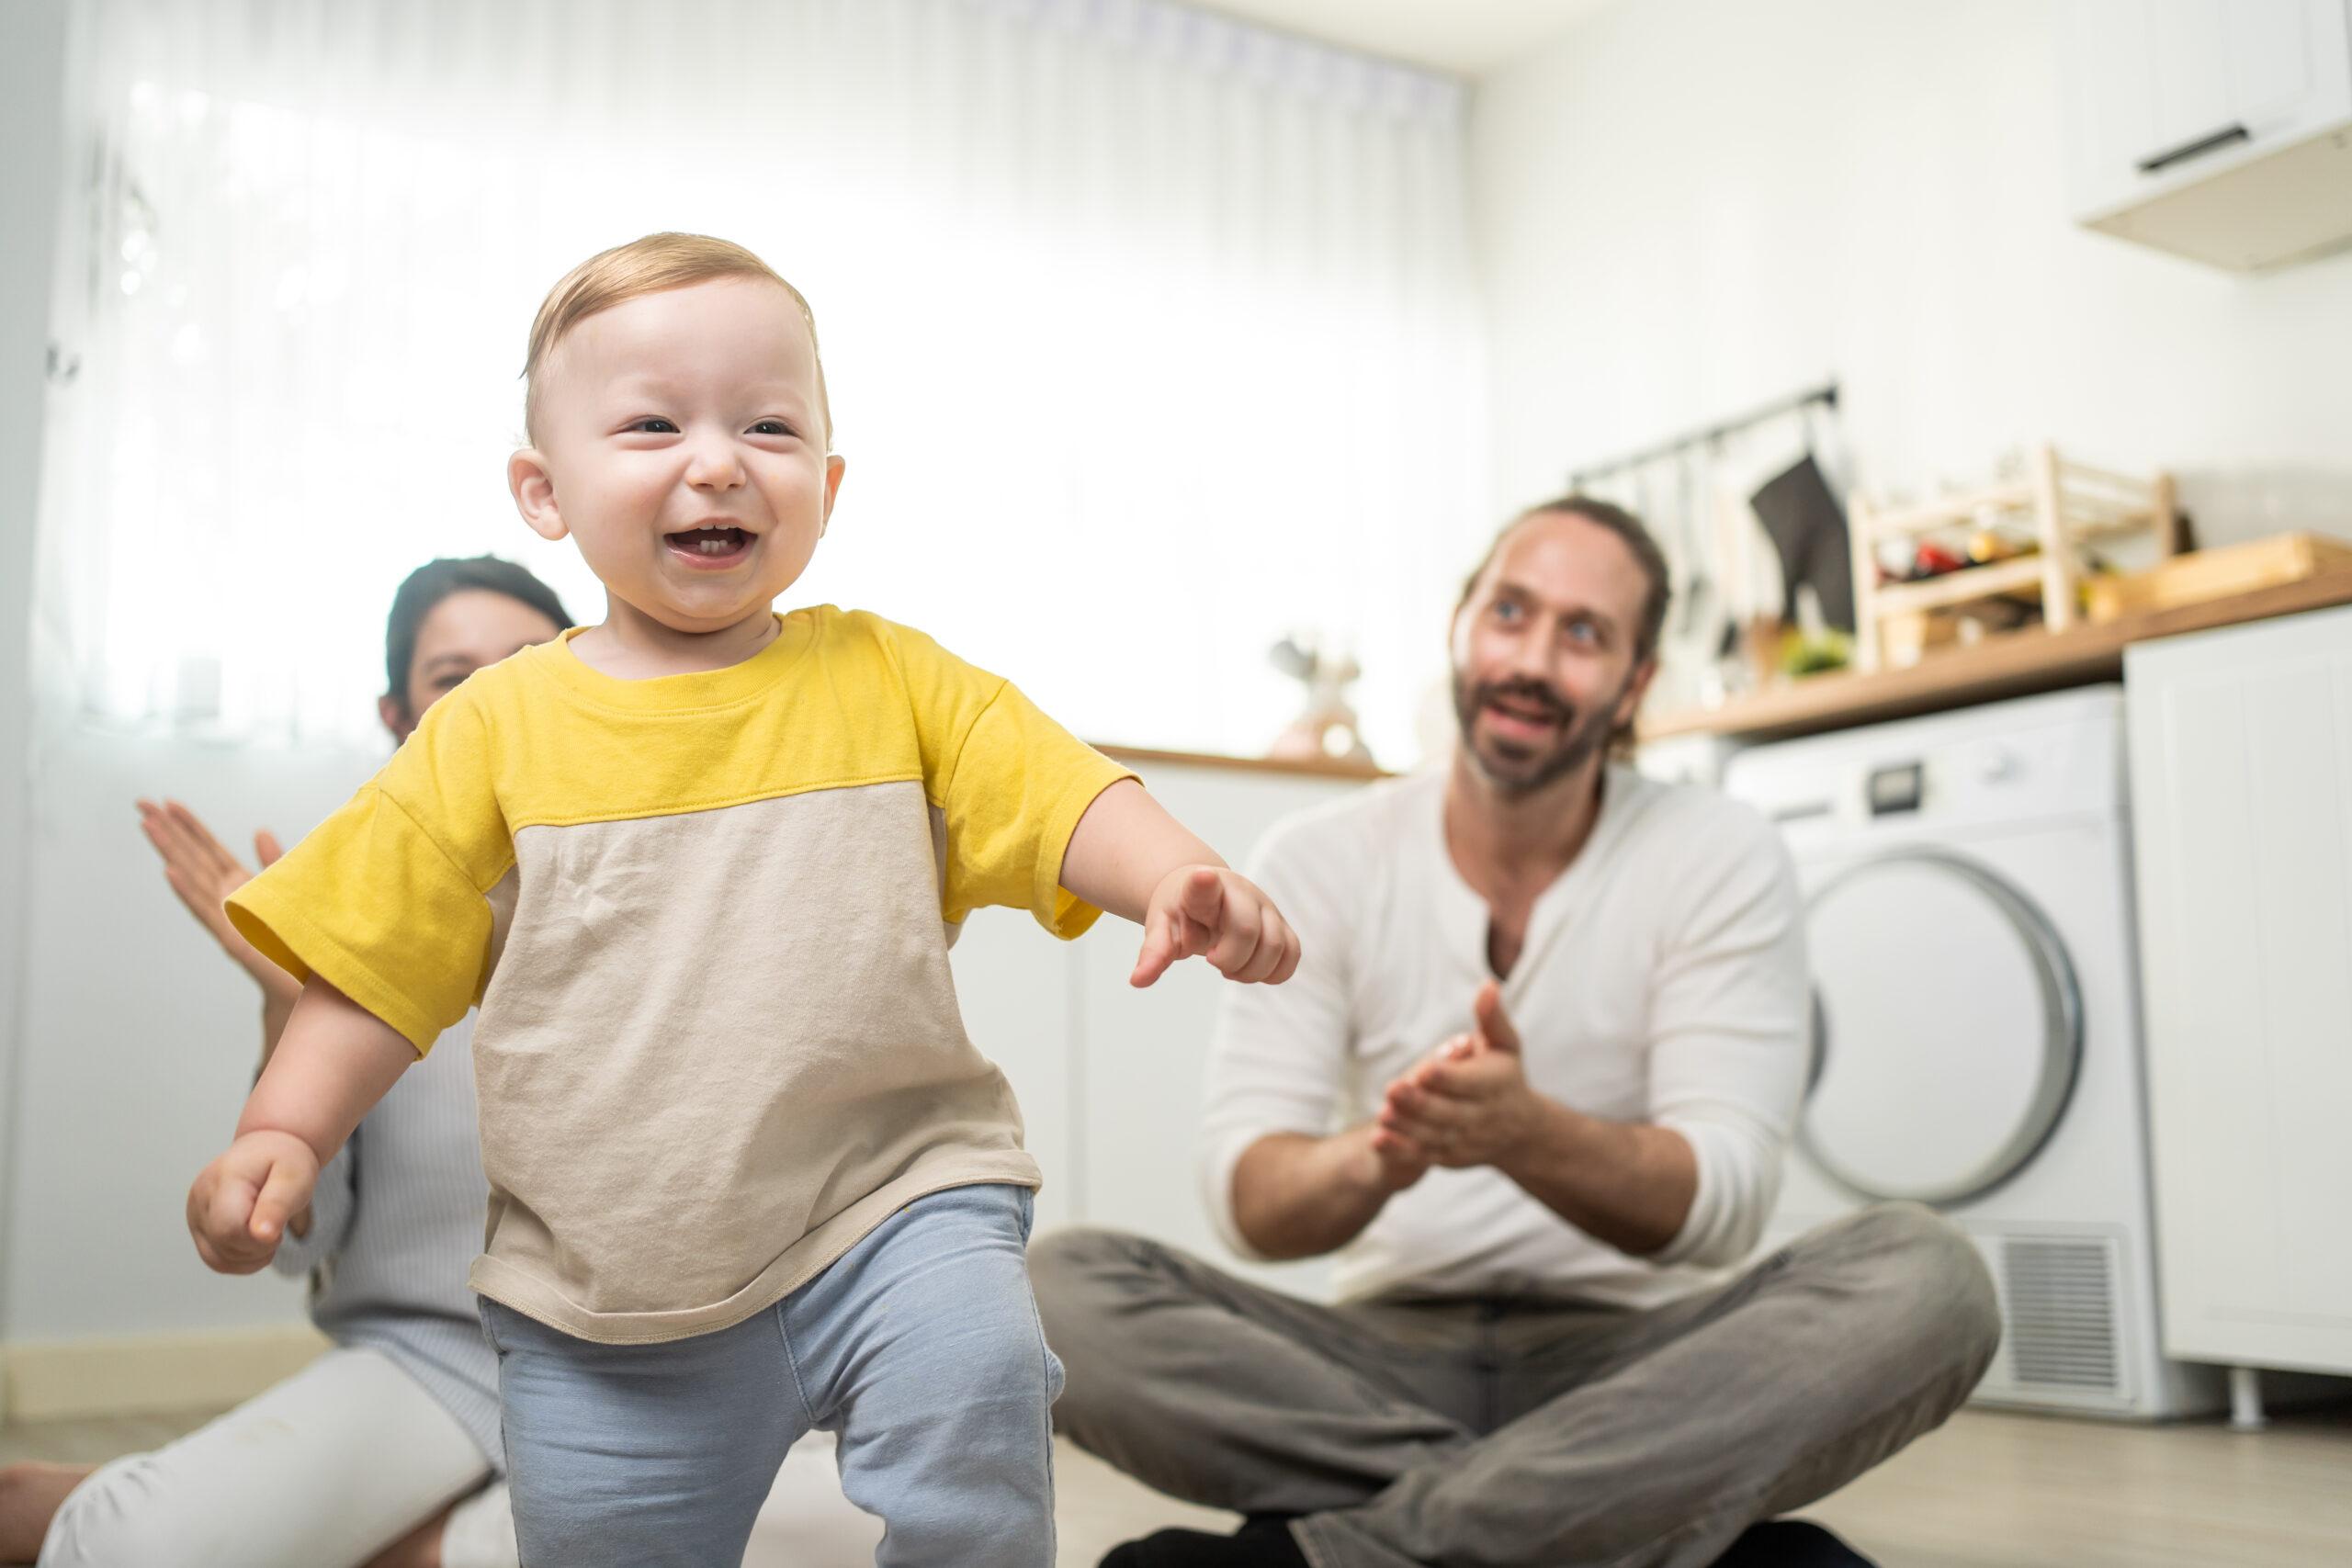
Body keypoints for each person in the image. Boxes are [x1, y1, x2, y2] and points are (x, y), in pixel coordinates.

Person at [182, 232, 1304, 1568]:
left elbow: (1055, 791)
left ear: (824, 483)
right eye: (653, 423)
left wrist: (1174, 867)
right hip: (602, 1291)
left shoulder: (890, 678)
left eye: (767, 426)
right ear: (544, 490)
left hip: (892, 1197)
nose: (716, 460)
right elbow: (375, 954)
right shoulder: (493, 731)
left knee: (979, 1371)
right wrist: (284, 1127)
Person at [1031, 496, 2003, 1568]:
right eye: (1510, 613)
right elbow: (1252, 1204)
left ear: (1636, 683)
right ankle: (1619, 1509)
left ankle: (1346, 1554)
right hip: (1367, 1366)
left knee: (1930, 1279)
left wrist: (1526, 1134)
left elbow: (1720, 1206)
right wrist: (1388, 1152)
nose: (1532, 659)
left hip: (1640, 1366)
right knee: (1051, 1288)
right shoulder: (1323, 855)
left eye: (1583, 634)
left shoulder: (1719, 854)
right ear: (1459, 628)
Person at [0, 556, 569, 1568]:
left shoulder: (678, 886)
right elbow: (307, 1240)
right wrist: (285, 1001)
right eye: (453, 676)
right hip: (435, 1363)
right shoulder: (365, 927)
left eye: (530, 665)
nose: (494, 700)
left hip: (666, 1375)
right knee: (139, 1546)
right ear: (398, 714)